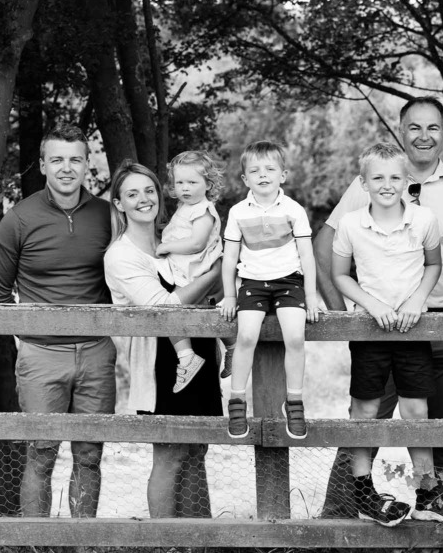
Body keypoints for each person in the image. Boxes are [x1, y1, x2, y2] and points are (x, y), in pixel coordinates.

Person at [314, 96, 443, 517]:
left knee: (439, 422)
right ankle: (342, 513)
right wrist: (347, 317)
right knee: (366, 415)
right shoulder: (371, 181)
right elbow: (326, 247)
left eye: (433, 128)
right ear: (400, 131)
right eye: (414, 127)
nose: (424, 136)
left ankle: (441, 513)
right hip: (380, 323)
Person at [0, 123, 114, 518]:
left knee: (89, 456)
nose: (66, 168)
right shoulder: (19, 219)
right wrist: (34, 337)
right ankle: (37, 552)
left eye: (75, 159)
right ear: (42, 165)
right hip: (41, 356)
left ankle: (82, 544)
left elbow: (127, 279)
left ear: (87, 164)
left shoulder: (108, 216)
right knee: (41, 456)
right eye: (57, 159)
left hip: (96, 354)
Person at [104, 161, 225, 517]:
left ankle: (197, 544)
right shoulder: (121, 255)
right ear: (119, 204)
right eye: (132, 193)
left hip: (198, 348)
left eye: (149, 190)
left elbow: (209, 295)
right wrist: (216, 271)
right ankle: (166, 547)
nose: (144, 199)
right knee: (171, 452)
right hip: (161, 364)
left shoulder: (173, 240)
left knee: (196, 449)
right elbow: (164, 306)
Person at [219, 140, 319, 440]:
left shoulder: (293, 210)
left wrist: (311, 296)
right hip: (252, 283)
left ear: (283, 175)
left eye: (270, 169)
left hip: (289, 282)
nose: (263, 175)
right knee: (247, 336)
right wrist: (229, 294)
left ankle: (295, 401)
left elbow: (307, 255)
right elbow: (230, 259)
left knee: (295, 337)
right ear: (245, 179)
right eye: (255, 170)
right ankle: (237, 401)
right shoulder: (238, 212)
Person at [155, 150, 224, 393]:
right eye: (180, 182)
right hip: (187, 270)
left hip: (195, 271)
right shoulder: (186, 207)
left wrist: (165, 246)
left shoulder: (203, 210)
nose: (185, 188)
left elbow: (196, 243)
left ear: (208, 184)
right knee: (196, 311)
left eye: (193, 182)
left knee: (169, 311)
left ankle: (187, 356)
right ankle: (228, 345)